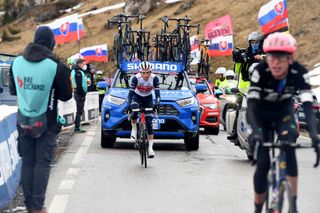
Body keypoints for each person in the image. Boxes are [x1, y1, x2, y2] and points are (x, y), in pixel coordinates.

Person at [246, 32, 320, 213]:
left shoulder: (299, 72)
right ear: (266, 57)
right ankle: (258, 208)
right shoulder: (259, 71)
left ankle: (293, 204)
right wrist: (255, 133)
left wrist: (313, 136)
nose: (276, 63)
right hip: (260, 115)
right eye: (272, 57)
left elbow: (309, 107)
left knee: (289, 149)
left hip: (283, 115)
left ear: (291, 58)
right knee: (263, 162)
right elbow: (251, 107)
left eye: (282, 58)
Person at [9, 26, 72, 213]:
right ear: (51, 43)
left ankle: (30, 206)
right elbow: (66, 95)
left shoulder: (17, 62)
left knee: (28, 162)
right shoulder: (55, 65)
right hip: (47, 123)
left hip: (23, 121)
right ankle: (37, 207)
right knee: (42, 164)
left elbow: (13, 91)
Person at [227, 31, 265, 141]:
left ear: (261, 42)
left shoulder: (265, 54)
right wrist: (237, 60)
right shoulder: (246, 54)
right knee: (238, 108)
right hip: (244, 90)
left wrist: (262, 58)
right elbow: (237, 71)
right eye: (252, 42)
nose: (254, 44)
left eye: (256, 42)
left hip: (261, 89)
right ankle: (235, 132)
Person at [127, 61, 160, 158]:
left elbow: (158, 95)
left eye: (148, 72)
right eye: (143, 73)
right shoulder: (136, 78)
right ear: (140, 72)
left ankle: (150, 149)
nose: (146, 75)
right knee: (134, 112)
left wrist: (157, 104)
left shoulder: (154, 78)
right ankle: (134, 128)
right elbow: (130, 94)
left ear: (151, 72)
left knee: (149, 122)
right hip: (137, 97)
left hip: (148, 98)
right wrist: (129, 105)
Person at [71, 56, 88, 133]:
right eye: (83, 63)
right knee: (79, 110)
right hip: (79, 93)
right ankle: (77, 127)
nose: (84, 65)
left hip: (77, 92)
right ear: (79, 63)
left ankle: (77, 126)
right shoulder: (78, 72)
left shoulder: (75, 71)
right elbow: (79, 85)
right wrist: (83, 94)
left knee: (79, 110)